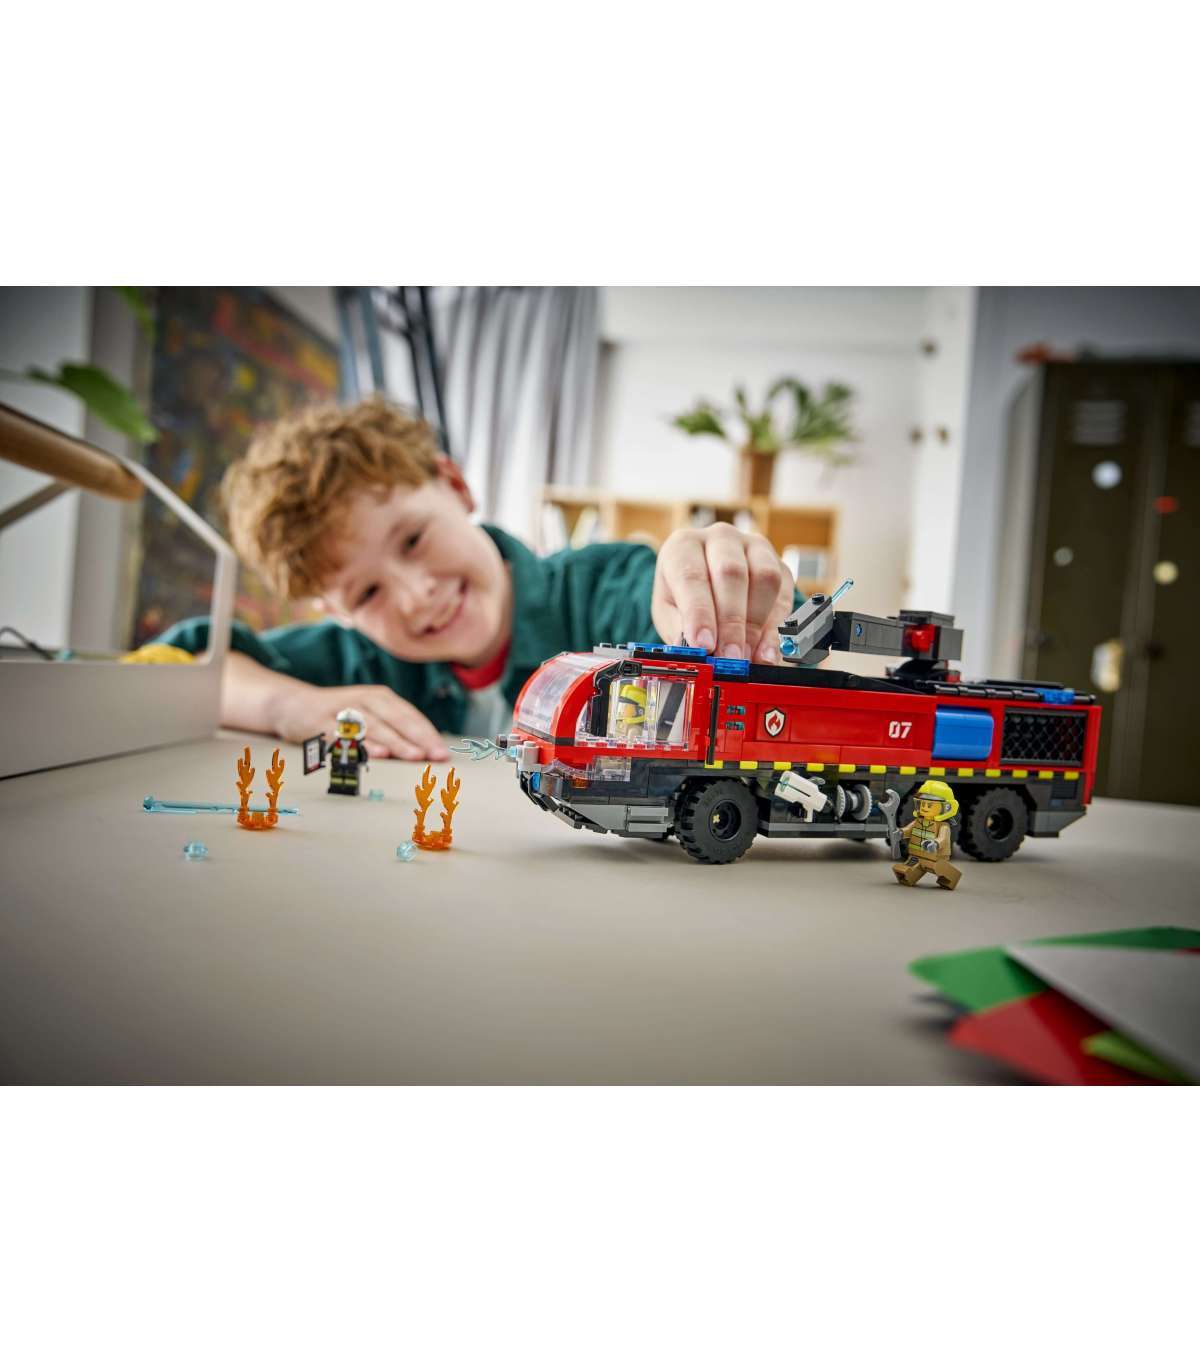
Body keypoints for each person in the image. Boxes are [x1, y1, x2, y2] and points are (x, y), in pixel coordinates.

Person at [159, 398, 799, 762]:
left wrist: (707, 592)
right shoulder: (358, 662)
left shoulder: (599, 590)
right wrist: (288, 705)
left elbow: (664, 607)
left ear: (456, 485)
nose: (416, 596)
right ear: (336, 611)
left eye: (413, 539)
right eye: (367, 594)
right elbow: (180, 664)